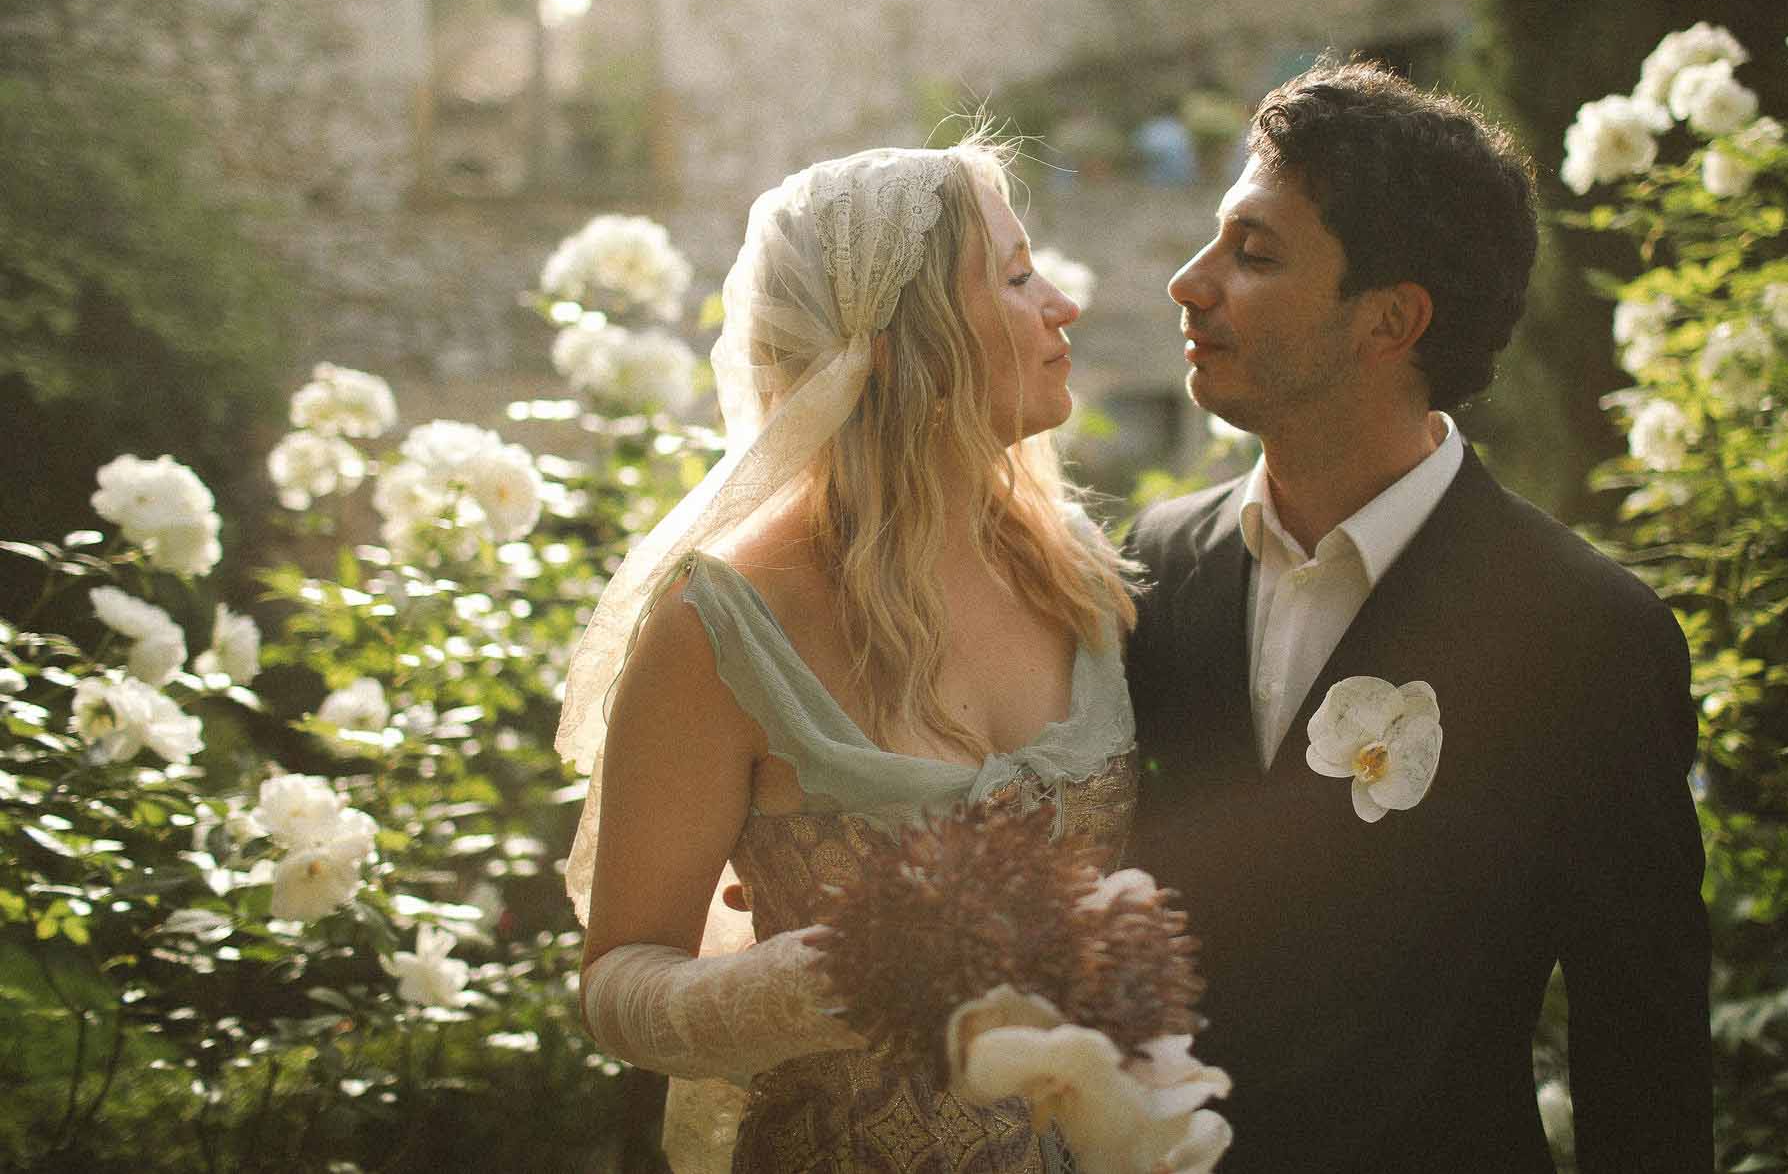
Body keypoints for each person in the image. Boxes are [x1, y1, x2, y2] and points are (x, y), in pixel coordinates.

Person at [1123, 57, 1713, 1171]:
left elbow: (1644, 1055)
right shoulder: (1153, 566)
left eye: (1254, 253)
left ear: (1390, 320)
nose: (1189, 284)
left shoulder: (1587, 635)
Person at [555, 144, 1139, 1172]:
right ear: (911, 341)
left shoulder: (1079, 575)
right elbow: (617, 982)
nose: (1062, 305)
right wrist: (809, 981)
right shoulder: (719, 628)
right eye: (1015, 277)